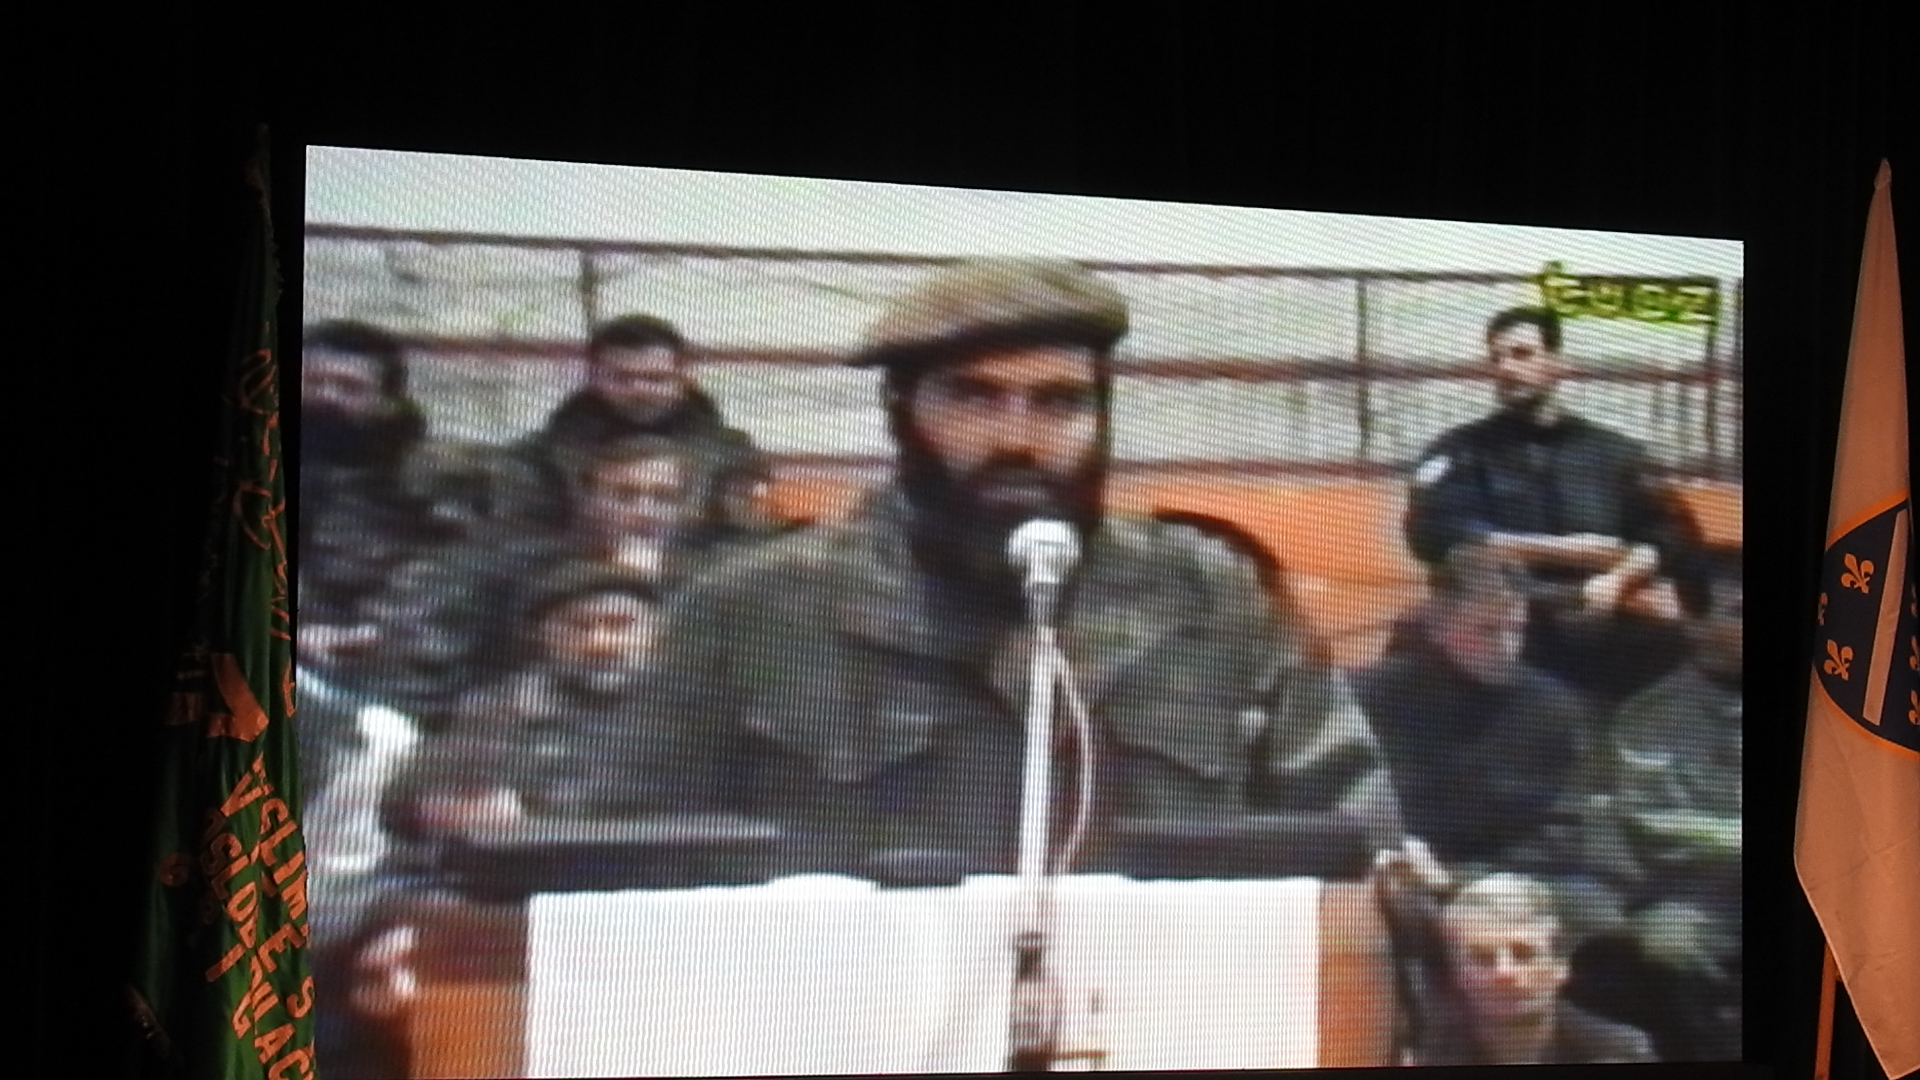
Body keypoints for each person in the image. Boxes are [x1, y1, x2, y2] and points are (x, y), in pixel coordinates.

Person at [645, 258, 1399, 883]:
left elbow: (1352, 838)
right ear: (900, 411)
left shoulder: (1208, 596)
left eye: (1059, 404)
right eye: (973, 398)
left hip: (1151, 999)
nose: (1018, 439)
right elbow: (631, 861)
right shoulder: (754, 609)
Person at [1402, 307, 1701, 711]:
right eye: (1496, 357)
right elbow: (1431, 531)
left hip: (1603, 629)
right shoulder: (1462, 451)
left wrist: (1617, 579)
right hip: (1505, 636)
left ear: (1558, 363)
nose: (1506, 369)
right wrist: (1573, 551)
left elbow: (1673, 535)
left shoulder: (1614, 454)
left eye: (1522, 354)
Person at [359, 435, 725, 728]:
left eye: (664, 498)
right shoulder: (523, 568)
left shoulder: (710, 580)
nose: (646, 511)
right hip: (530, 726)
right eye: (625, 496)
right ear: (590, 501)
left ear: (686, 509)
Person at [1571, 543, 1743, 1060]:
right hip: (1699, 899)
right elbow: (1645, 824)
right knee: (1668, 940)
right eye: (1737, 612)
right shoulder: (1651, 717)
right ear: (1695, 624)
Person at [1353, 543, 1591, 873]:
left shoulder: (1553, 708)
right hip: (1398, 874)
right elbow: (1346, 810)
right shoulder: (1371, 697)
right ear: (1439, 625)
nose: (1506, 647)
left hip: (1512, 882)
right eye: (1487, 630)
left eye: (1516, 629)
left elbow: (1567, 824)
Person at [492, 314, 770, 538]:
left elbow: (746, 542)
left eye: (655, 379)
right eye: (621, 378)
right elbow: (519, 542)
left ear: (684, 378)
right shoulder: (539, 459)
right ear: (594, 377)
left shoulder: (732, 457)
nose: (640, 390)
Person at [296, 321, 452, 689]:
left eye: (349, 387)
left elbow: (452, 580)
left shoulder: (430, 481)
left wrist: (368, 633)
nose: (327, 397)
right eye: (313, 383)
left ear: (389, 402)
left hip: (376, 665)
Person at [1411, 873, 1655, 1065]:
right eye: (1483, 958)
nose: (1504, 973)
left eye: (1523, 954)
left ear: (1560, 966)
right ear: (1457, 975)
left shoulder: (1618, 1050)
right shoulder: (1420, 1052)